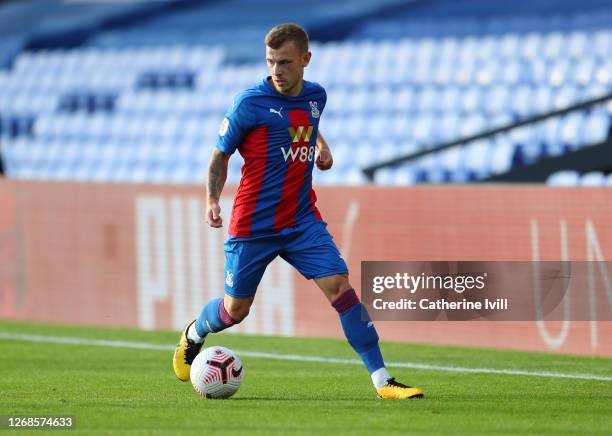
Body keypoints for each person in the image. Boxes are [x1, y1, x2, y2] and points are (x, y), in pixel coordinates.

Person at [173, 23, 423, 400]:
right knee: (234, 311)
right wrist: (211, 200)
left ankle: (383, 382)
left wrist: (322, 146)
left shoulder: (316, 96)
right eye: (271, 61)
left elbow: (309, 121)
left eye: (285, 62)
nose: (277, 69)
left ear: (306, 60)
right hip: (253, 225)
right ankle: (195, 333)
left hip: (302, 220)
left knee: (341, 288)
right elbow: (218, 157)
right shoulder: (249, 104)